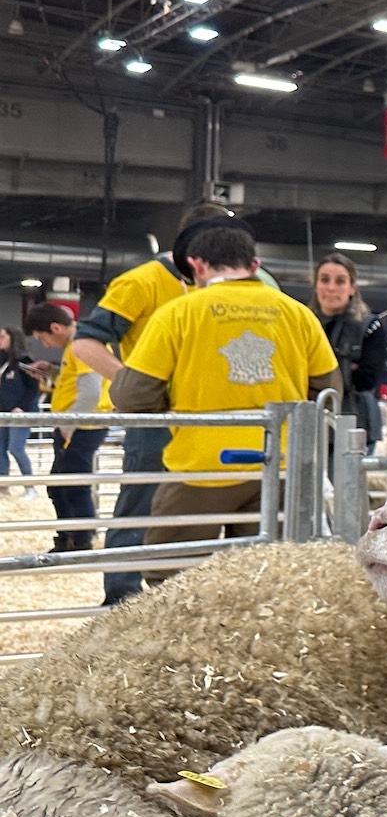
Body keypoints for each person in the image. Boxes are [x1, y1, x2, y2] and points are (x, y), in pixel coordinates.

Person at [108, 221, 339, 567]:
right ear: (255, 266)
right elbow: (329, 391)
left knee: (171, 578)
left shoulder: (176, 314)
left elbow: (132, 395)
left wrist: (171, 401)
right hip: (278, 465)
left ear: (197, 266)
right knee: (265, 579)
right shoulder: (299, 315)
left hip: (199, 465)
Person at [71, 201, 234, 605]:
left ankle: (189, 600)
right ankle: (121, 600)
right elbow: (85, 342)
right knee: (140, 505)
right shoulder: (141, 282)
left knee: (201, 512)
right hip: (157, 420)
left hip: (210, 419)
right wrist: (136, 385)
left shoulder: (225, 290)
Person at [23, 306, 108, 547]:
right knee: (61, 486)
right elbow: (78, 383)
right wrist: (53, 372)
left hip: (82, 427)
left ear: (55, 328)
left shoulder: (83, 345)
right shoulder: (77, 345)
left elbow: (92, 391)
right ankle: (69, 538)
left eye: (42, 338)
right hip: (77, 425)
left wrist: (68, 426)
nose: (45, 344)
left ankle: (80, 543)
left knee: (73, 486)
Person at [313, 254, 387, 449]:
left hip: (356, 426)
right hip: (310, 424)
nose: (331, 287)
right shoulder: (302, 323)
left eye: (340, 281)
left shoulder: (371, 326)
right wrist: (347, 367)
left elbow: (367, 380)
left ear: (352, 288)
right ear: (316, 285)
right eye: (324, 280)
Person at [0, 327, 38, 496]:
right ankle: (3, 486)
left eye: (2, 337)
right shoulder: (2, 360)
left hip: (21, 412)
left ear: (12, 339)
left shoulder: (25, 360)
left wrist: (21, 407)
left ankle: (30, 487)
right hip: (3, 412)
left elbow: (33, 389)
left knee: (16, 448)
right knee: (0, 449)